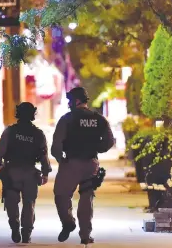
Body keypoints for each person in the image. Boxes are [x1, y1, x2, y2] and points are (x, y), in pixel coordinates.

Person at [51, 87, 115, 245]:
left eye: (70, 100)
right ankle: (85, 235)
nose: (69, 104)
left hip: (71, 163)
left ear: (77, 100)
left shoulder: (67, 119)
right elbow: (109, 141)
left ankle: (68, 222)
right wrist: (97, 149)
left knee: (61, 194)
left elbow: (56, 144)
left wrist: (61, 159)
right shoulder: (99, 119)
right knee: (87, 198)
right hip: (91, 164)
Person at [0, 102, 52, 244]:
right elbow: (44, 155)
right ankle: (26, 232)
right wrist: (45, 173)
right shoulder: (38, 134)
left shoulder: (10, 131)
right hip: (30, 173)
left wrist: (1, 167)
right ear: (33, 114)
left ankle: (14, 227)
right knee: (29, 203)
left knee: (11, 202)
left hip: (12, 172)